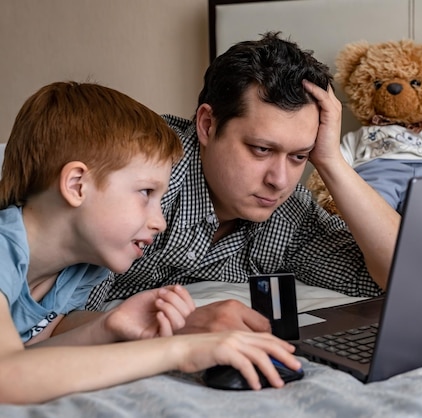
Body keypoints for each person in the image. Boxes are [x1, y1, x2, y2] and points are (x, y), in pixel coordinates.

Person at [0, 81, 300, 404]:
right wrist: (176, 351)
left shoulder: (79, 271)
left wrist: (109, 326)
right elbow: (9, 377)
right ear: (76, 185)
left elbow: (35, 353)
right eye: (146, 193)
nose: (160, 221)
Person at [83, 31, 401, 333]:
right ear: (207, 125)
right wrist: (177, 328)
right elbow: (51, 322)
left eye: (298, 157)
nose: (279, 181)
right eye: (261, 149)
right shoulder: (144, 178)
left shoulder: (290, 214)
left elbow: (402, 279)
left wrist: (331, 162)